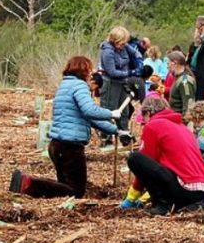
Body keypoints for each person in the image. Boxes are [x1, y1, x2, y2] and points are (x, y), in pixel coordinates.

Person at [9, 56, 125, 198]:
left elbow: (88, 117)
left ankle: (27, 182)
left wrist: (116, 131)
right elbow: (89, 110)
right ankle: (28, 184)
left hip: (57, 145)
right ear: (83, 70)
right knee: (76, 192)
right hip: (70, 147)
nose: (91, 73)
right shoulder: (79, 86)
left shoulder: (65, 85)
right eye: (89, 69)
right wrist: (111, 113)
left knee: (64, 189)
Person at [124, 97, 204, 215]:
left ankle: (163, 204)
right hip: (201, 190)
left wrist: (131, 197)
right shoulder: (181, 127)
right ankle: (185, 204)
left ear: (148, 113)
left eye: (144, 118)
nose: (144, 124)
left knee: (135, 158)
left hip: (184, 188)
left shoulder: (153, 126)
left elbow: (146, 165)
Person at [98, 26, 138, 145]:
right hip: (110, 83)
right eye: (121, 43)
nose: (123, 45)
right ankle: (106, 137)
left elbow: (135, 54)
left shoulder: (124, 48)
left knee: (124, 110)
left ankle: (124, 135)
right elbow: (112, 72)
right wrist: (130, 73)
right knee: (109, 110)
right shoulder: (107, 51)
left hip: (122, 83)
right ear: (114, 40)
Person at [166, 51, 195, 122]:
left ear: (175, 63)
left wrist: (183, 125)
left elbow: (188, 106)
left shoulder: (185, 81)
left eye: (168, 63)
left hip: (181, 123)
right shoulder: (178, 79)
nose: (167, 66)